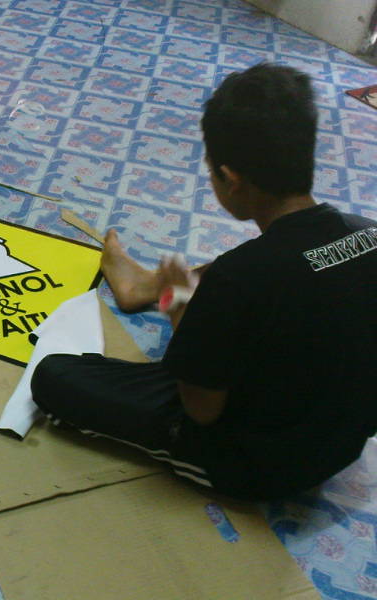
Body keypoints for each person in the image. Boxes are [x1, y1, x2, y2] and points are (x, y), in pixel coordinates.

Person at [31, 63, 377, 501]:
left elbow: (201, 409)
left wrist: (178, 306)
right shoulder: (367, 231)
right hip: (341, 440)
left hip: (256, 465)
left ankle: (159, 292)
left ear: (230, 180)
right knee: (268, 264)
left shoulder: (238, 279)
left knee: (53, 377)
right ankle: (145, 287)